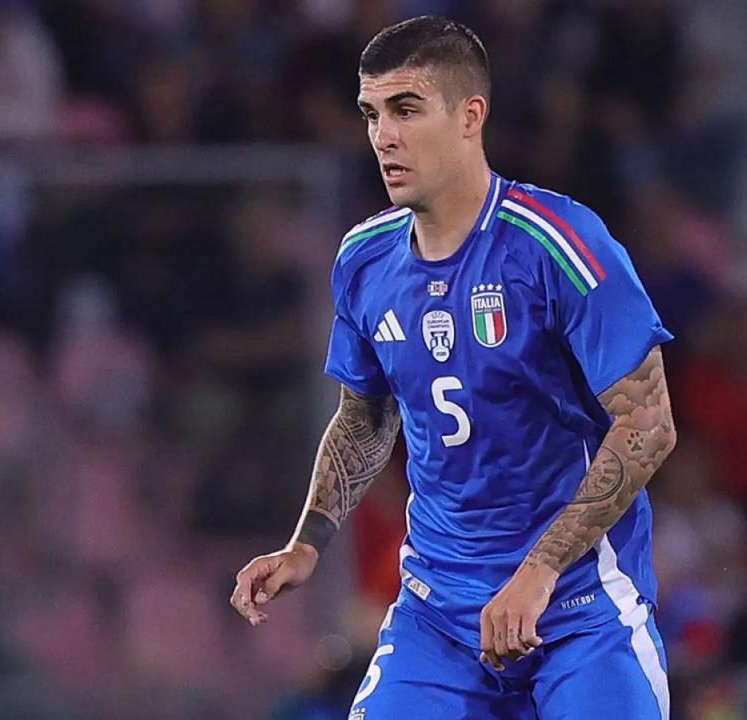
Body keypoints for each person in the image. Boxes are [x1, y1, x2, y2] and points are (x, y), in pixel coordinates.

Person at [231, 16, 677, 720]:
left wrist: (538, 572)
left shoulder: (559, 244)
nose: (384, 136)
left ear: (471, 116)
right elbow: (365, 417)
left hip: (580, 611)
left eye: (406, 109)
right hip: (438, 618)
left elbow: (648, 426)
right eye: (371, 114)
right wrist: (307, 542)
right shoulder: (364, 260)